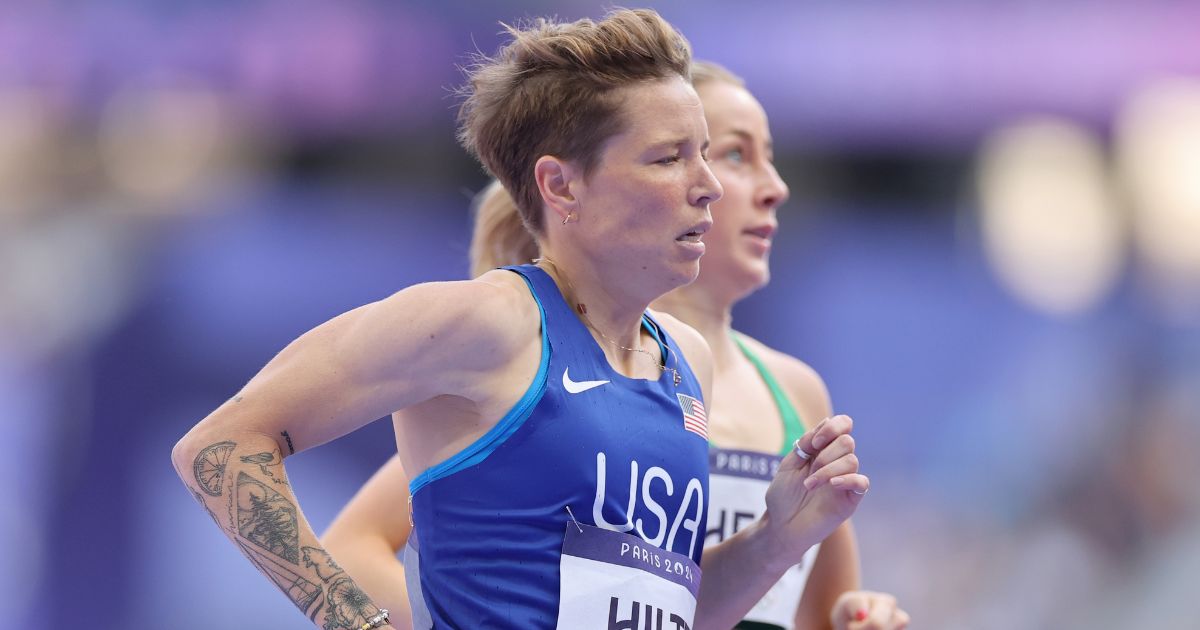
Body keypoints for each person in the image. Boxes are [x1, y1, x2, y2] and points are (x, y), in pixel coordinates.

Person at [171, 10, 868, 629]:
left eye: (706, 155)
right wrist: (360, 622)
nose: (708, 185)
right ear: (561, 185)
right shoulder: (487, 323)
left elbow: (680, 613)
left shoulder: (687, 361)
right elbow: (221, 444)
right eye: (669, 158)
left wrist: (778, 536)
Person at [323, 61, 908, 630]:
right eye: (732, 154)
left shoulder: (791, 391)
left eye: (728, 156)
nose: (776, 189)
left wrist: (854, 617)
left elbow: (798, 603)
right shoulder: (543, 366)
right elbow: (357, 540)